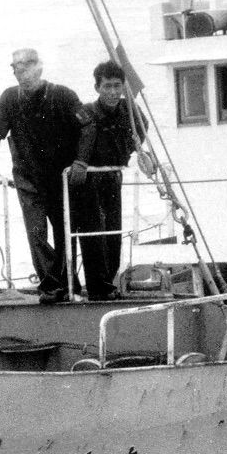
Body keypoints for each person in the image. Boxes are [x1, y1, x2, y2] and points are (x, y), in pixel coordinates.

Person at [0, 48, 82, 302]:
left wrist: (81, 162)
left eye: (25, 64)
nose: (20, 70)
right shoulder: (9, 99)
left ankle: (69, 282)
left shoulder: (62, 96)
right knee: (36, 234)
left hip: (60, 179)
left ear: (39, 66)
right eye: (15, 66)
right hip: (29, 180)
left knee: (64, 233)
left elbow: (87, 127)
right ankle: (51, 285)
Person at [69, 60, 149, 300]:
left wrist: (134, 151)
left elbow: (142, 131)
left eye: (117, 86)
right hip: (89, 182)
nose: (113, 92)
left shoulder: (130, 111)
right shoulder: (87, 112)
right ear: (97, 88)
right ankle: (98, 287)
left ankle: (108, 282)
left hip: (112, 178)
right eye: (107, 87)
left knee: (113, 232)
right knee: (94, 233)